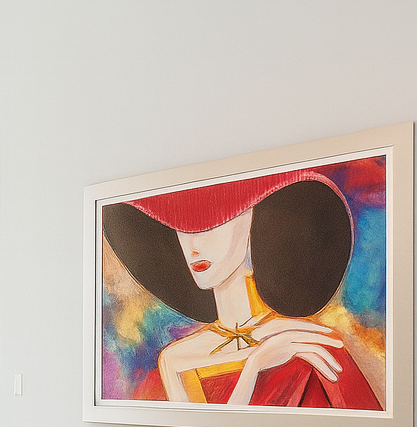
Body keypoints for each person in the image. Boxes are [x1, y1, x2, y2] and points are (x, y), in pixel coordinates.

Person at [102, 169, 382, 409]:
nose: (193, 246)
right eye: (183, 229)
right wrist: (255, 366)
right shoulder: (174, 358)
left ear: (253, 226)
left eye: (213, 224)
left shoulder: (311, 341)